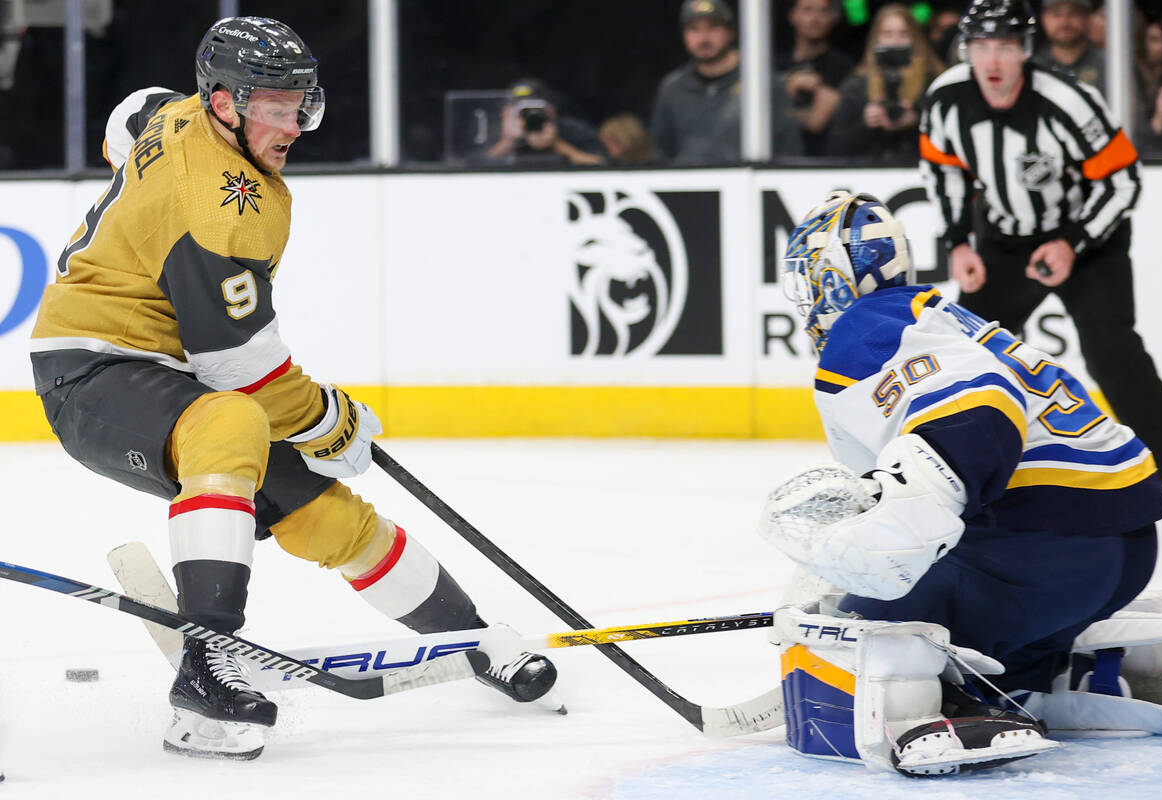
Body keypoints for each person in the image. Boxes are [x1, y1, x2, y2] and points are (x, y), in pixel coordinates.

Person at [28, 16, 559, 761]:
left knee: (324, 513)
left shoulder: (176, 110)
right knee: (233, 421)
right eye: (273, 107)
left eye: (298, 104)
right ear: (222, 104)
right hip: (88, 371)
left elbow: (131, 116)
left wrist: (136, 186)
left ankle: (470, 639)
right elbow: (236, 366)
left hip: (160, 373)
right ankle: (206, 668)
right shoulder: (222, 204)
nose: (292, 125)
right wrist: (328, 422)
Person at [762, 190, 1162, 776]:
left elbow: (981, 406)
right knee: (950, 614)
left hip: (1051, 550)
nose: (807, 299)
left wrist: (903, 518)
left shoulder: (865, 328)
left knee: (863, 616)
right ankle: (1064, 676)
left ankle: (930, 709)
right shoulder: (934, 316)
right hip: (1118, 545)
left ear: (835, 279)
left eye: (808, 280)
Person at [919, 0, 1162, 539]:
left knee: (1113, 353)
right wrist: (959, 242)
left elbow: (1122, 180)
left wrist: (1073, 242)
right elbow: (944, 168)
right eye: (981, 46)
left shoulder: (1067, 101)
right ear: (966, 50)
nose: (992, 60)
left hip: (1089, 240)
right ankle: (955, 480)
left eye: (1004, 46)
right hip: (1004, 241)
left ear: (1025, 50)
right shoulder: (947, 100)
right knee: (964, 357)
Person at [650, 0, 801, 163]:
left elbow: (789, 148)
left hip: (746, 183)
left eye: (713, 27)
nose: (704, 37)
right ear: (684, 35)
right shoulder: (672, 88)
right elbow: (661, 152)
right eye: (694, 29)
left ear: (731, 32)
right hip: (685, 184)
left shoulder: (758, 83)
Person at [826, 4, 944, 163]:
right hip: (870, 170)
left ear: (915, 39)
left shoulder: (935, 83)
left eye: (904, 34)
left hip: (917, 169)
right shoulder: (856, 86)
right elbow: (834, 148)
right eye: (887, 34)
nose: (895, 41)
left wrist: (916, 122)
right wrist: (864, 123)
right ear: (876, 39)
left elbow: (948, 140)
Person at [778, 0, 855, 156]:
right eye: (808, 10)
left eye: (822, 11)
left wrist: (781, 108)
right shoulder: (774, 64)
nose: (815, 18)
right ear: (793, 16)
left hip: (822, 159)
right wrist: (787, 87)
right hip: (779, 155)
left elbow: (816, 122)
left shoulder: (842, 65)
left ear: (832, 18)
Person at [485, 77, 607, 166]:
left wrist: (556, 144)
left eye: (535, 108)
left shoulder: (571, 129)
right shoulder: (493, 131)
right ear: (505, 112)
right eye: (521, 109)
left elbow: (602, 163)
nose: (530, 115)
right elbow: (471, 165)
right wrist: (507, 142)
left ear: (551, 109)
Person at [1032, 0, 1106, 95]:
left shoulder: (1110, 67)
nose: (1064, 22)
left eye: (1073, 13)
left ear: (1088, 17)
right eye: (1056, 14)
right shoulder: (1033, 69)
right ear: (1043, 18)